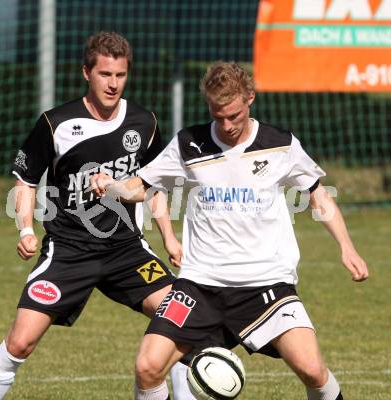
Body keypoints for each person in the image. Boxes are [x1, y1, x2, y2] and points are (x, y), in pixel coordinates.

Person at [91, 61, 369, 400]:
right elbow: (143, 186)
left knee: (312, 370)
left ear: (249, 98)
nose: (226, 125)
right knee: (148, 367)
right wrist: (114, 186)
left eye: (234, 116)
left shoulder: (280, 143)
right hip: (199, 285)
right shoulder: (188, 144)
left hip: (265, 284)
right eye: (217, 115)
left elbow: (318, 196)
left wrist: (346, 246)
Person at [0, 31, 194, 400]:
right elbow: (25, 182)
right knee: (21, 341)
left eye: (121, 75)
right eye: (105, 74)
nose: (113, 84)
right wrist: (26, 228)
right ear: (86, 73)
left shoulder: (144, 122)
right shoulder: (55, 124)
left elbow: (153, 186)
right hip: (69, 251)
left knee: (181, 319)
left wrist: (169, 238)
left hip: (127, 251)